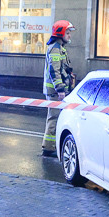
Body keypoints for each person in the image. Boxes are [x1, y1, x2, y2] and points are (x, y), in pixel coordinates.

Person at [42, 19, 75, 157]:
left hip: (57, 90)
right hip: (55, 92)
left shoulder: (59, 47)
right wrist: (60, 89)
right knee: (54, 118)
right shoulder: (55, 49)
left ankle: (52, 146)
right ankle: (49, 148)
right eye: (67, 33)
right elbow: (54, 70)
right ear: (60, 33)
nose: (69, 36)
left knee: (55, 117)